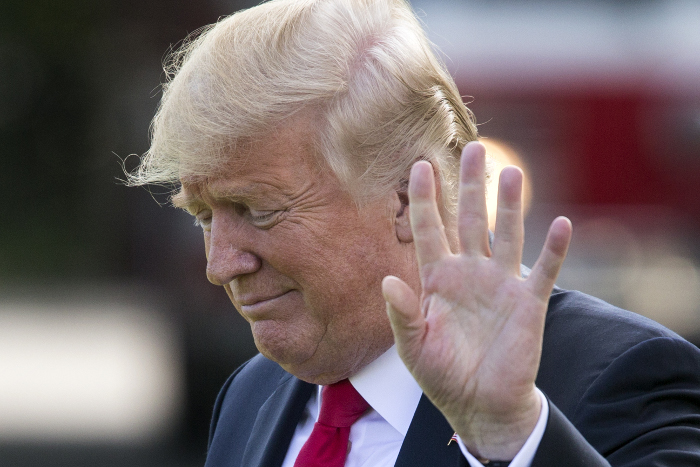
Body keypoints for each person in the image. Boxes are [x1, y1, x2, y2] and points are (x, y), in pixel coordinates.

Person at [127, 0, 700, 465]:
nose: (220, 264)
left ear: (406, 199)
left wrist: (513, 440)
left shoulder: (620, 376)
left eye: (258, 210)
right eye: (204, 216)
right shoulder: (250, 397)